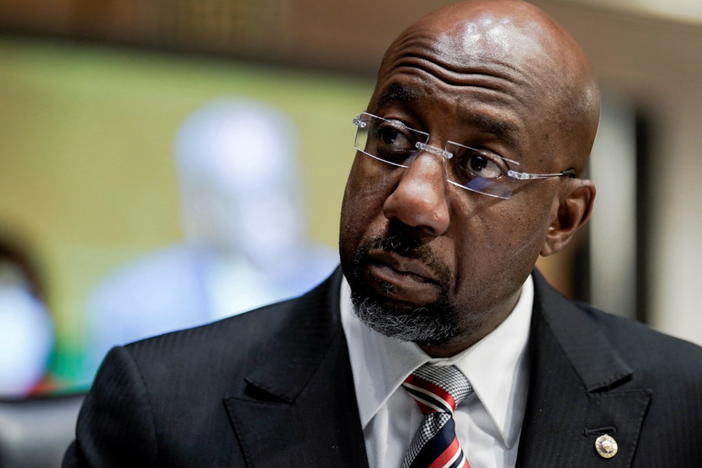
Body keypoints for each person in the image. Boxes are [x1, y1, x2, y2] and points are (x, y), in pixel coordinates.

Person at [64, 1, 702, 467]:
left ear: (562, 219)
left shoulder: (683, 409)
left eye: (480, 165)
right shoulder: (162, 409)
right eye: (393, 139)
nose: (412, 199)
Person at [81, 98, 337, 382]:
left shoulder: (343, 287)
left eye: (282, 188)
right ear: (198, 205)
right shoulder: (133, 304)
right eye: (241, 197)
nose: (274, 211)